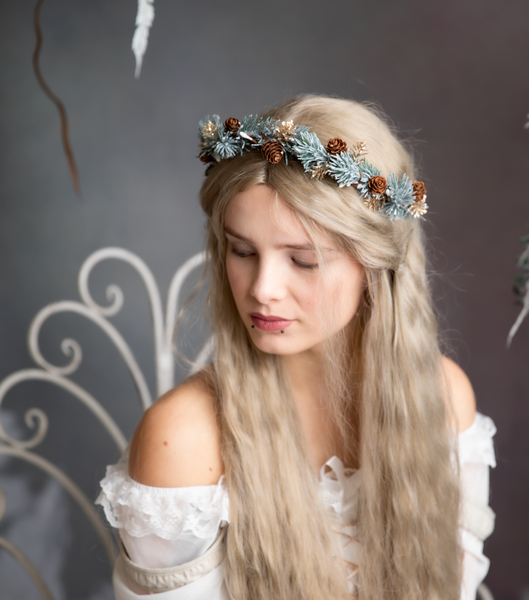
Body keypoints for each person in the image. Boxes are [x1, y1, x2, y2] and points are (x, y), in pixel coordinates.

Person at [96, 95, 496, 600]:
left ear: (375, 268)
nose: (263, 288)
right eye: (241, 251)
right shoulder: (183, 440)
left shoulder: (441, 396)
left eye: (303, 260)